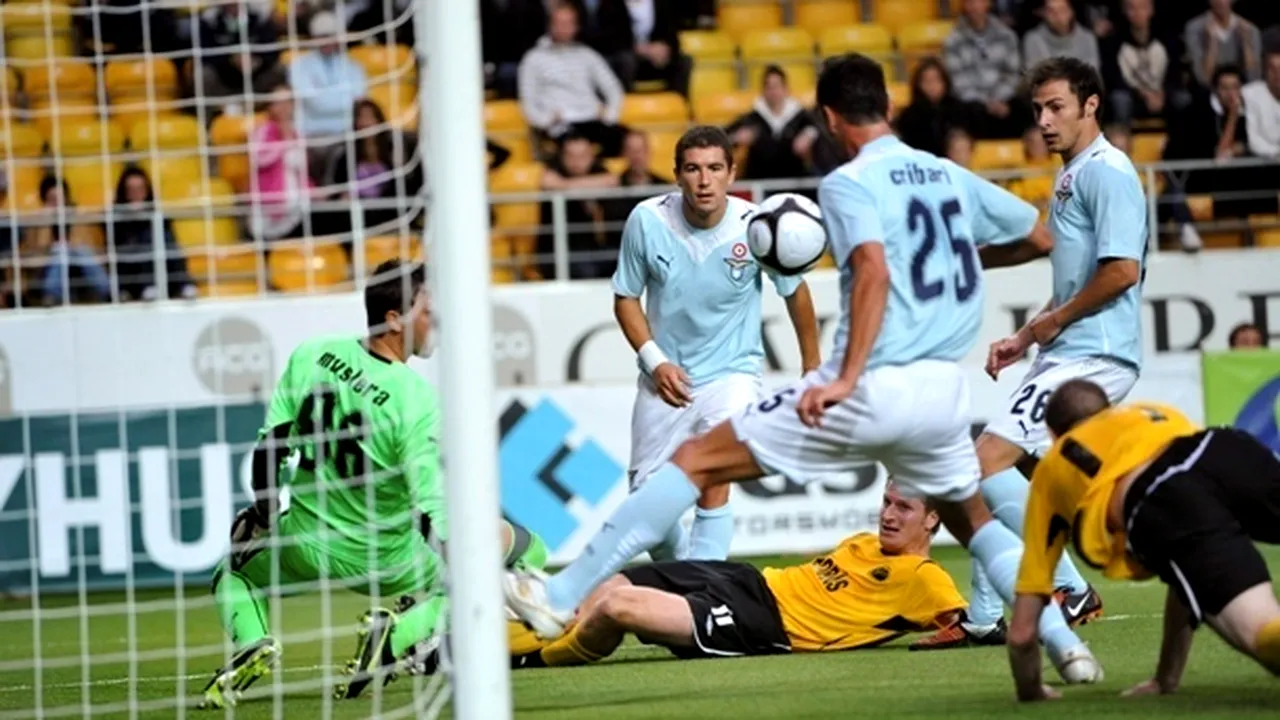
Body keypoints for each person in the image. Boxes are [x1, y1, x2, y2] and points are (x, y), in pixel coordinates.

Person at [504, 54, 1101, 697]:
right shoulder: (945, 172)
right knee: (973, 522)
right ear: (890, 108)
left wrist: (841, 376)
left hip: (875, 382)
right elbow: (1040, 238)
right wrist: (966, 258)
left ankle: (560, 592)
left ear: (828, 116)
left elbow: (870, 269)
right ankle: (1069, 648)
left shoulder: (847, 183)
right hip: (943, 393)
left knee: (699, 463)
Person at [199, 260, 548, 708]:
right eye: (427, 310)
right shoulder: (418, 400)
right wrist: (466, 579)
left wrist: (264, 516)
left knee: (230, 572)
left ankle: (253, 641)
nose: (435, 321)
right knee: (525, 553)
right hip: (390, 560)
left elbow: (271, 450)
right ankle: (401, 631)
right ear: (393, 319)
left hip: (306, 544)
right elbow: (433, 506)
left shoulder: (313, 355)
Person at [915, 57, 1149, 654]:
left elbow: (1123, 270)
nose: (1043, 121)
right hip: (1070, 349)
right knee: (1010, 468)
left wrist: (1051, 323)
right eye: (1037, 110)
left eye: (1056, 108)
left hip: (1094, 353)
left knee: (983, 464)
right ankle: (1026, 600)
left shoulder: (1107, 172)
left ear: (1090, 105)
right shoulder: (1073, 173)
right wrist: (1026, 336)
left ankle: (1050, 594)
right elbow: (1074, 275)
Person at [610, 125, 820, 562]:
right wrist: (656, 362)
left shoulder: (758, 228)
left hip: (732, 374)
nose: (703, 180)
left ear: (731, 173)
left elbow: (795, 292)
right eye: (692, 169)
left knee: (715, 467)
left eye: (714, 168)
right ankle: (689, 572)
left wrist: (812, 369)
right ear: (676, 174)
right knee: (648, 511)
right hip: (665, 381)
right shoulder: (647, 220)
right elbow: (626, 297)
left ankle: (709, 578)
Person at [1008, 380, 1280, 698]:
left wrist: (1030, 691)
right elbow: (1185, 574)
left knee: (1260, 632)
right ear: (1107, 411)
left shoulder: (1053, 468)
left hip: (1156, 492)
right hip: (1223, 445)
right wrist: (1166, 679)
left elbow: (1023, 633)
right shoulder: (1151, 412)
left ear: (1054, 435)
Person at [510, 483, 966, 668]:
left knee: (617, 608)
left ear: (932, 521)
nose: (887, 514)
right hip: (749, 580)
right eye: (886, 501)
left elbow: (970, 625)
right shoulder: (862, 543)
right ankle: (515, 639)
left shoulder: (923, 576)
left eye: (903, 507)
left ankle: (530, 659)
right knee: (611, 584)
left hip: (764, 625)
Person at [518, 3, 628, 158]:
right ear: (550, 25)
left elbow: (613, 88)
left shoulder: (588, 55)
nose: (564, 28)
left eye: (569, 23)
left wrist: (610, 115)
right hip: (558, 122)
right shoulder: (533, 59)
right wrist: (545, 120)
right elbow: (527, 100)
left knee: (629, 140)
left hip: (591, 118)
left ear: (576, 26)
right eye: (559, 23)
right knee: (574, 146)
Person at [536, 133, 620, 280]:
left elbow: (611, 181)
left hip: (593, 246)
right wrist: (588, 187)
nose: (576, 162)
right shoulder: (554, 168)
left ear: (591, 157)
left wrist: (566, 187)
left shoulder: (598, 169)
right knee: (586, 270)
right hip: (556, 250)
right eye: (571, 156)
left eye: (582, 156)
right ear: (562, 156)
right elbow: (548, 183)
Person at [109, 167, 197, 301]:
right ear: (124, 193)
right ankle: (151, 286)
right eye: (131, 190)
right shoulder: (115, 219)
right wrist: (133, 217)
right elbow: (119, 246)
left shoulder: (159, 217)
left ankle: (184, 284)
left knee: (164, 237)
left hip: (163, 270)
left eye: (140, 189)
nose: (136, 194)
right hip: (132, 273)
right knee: (148, 238)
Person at [944, 0, 1028, 139]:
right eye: (970, 2)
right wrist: (986, 103)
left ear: (988, 3)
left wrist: (998, 98)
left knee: (1024, 109)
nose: (975, 6)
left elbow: (1013, 74)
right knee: (961, 112)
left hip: (1004, 99)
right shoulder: (953, 40)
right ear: (964, 6)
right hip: (972, 104)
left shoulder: (1007, 36)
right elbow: (957, 81)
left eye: (979, 1)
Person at [22, 176, 110, 306]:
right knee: (60, 252)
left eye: (61, 198)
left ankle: (108, 292)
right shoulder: (36, 222)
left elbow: (92, 248)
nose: (58, 203)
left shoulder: (80, 218)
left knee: (80, 252)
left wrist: (70, 246)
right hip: (46, 270)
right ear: (44, 201)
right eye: (52, 199)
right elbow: (35, 256)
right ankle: (52, 296)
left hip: (79, 269)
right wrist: (46, 222)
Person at [288, 11, 369, 143]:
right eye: (321, 36)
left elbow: (359, 101)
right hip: (313, 135)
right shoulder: (298, 66)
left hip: (349, 133)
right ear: (313, 38)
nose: (325, 41)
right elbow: (315, 104)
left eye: (330, 36)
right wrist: (343, 98)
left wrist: (325, 94)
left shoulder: (353, 66)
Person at [726, 66, 817, 181]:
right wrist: (736, 138)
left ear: (786, 89)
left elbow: (821, 128)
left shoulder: (803, 118)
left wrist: (810, 134)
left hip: (795, 182)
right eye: (768, 87)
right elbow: (724, 137)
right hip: (760, 183)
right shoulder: (752, 118)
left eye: (777, 86)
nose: (773, 91)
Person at [895, 57, 972, 159]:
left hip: (951, 165)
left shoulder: (959, 109)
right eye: (927, 81)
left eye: (936, 80)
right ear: (918, 84)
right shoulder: (909, 115)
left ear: (945, 82)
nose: (932, 86)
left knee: (960, 143)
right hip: (920, 164)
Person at [1185, 0, 1263, 90]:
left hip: (1241, 90)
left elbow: (1254, 78)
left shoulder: (1250, 29)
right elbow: (1204, 79)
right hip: (1207, 93)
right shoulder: (1195, 29)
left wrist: (1246, 44)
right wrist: (1212, 44)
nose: (1221, 1)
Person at [1023, 0, 1103, 71]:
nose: (1057, 16)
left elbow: (1092, 75)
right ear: (1044, 13)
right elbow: (1035, 77)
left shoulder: (1087, 38)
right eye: (1051, 11)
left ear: (1071, 12)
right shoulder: (1033, 39)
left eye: (1062, 10)